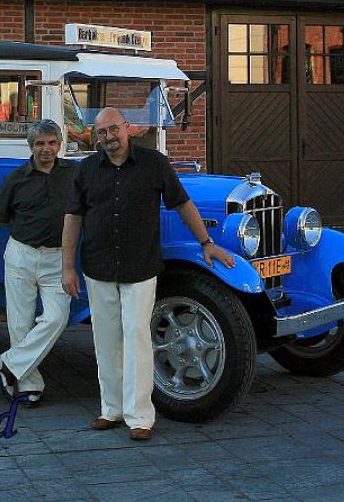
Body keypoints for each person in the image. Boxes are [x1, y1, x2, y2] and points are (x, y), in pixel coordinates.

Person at [62, 107, 235, 441]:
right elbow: (73, 218)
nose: (109, 137)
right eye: (101, 132)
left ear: (127, 128)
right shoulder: (86, 169)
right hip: (98, 266)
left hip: (140, 266)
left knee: (137, 338)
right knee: (105, 340)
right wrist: (67, 266)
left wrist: (206, 243)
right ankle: (111, 409)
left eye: (114, 129)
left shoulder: (154, 163)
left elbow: (182, 203)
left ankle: (140, 416)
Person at [0, 120, 73, 408]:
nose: (46, 149)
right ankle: (29, 385)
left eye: (51, 143)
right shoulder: (15, 179)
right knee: (20, 323)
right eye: (40, 143)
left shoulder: (74, 175)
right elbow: (0, 217)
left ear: (60, 144)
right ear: (30, 146)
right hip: (21, 255)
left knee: (57, 317)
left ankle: (8, 363)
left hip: (57, 258)